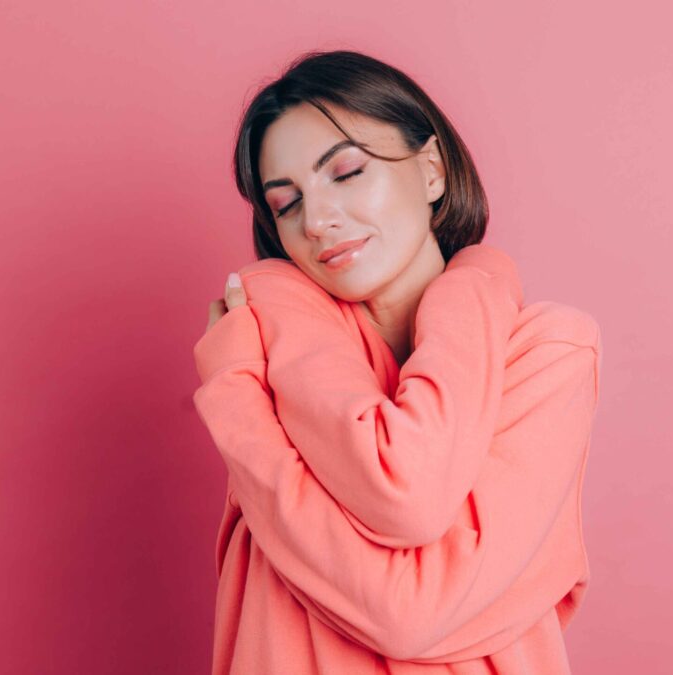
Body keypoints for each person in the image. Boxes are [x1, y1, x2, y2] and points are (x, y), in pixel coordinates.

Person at [193, 49, 603, 674]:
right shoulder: (280, 355)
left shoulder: (547, 353)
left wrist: (474, 283)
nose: (320, 220)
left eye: (348, 172)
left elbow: (405, 611)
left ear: (432, 169)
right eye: (287, 203)